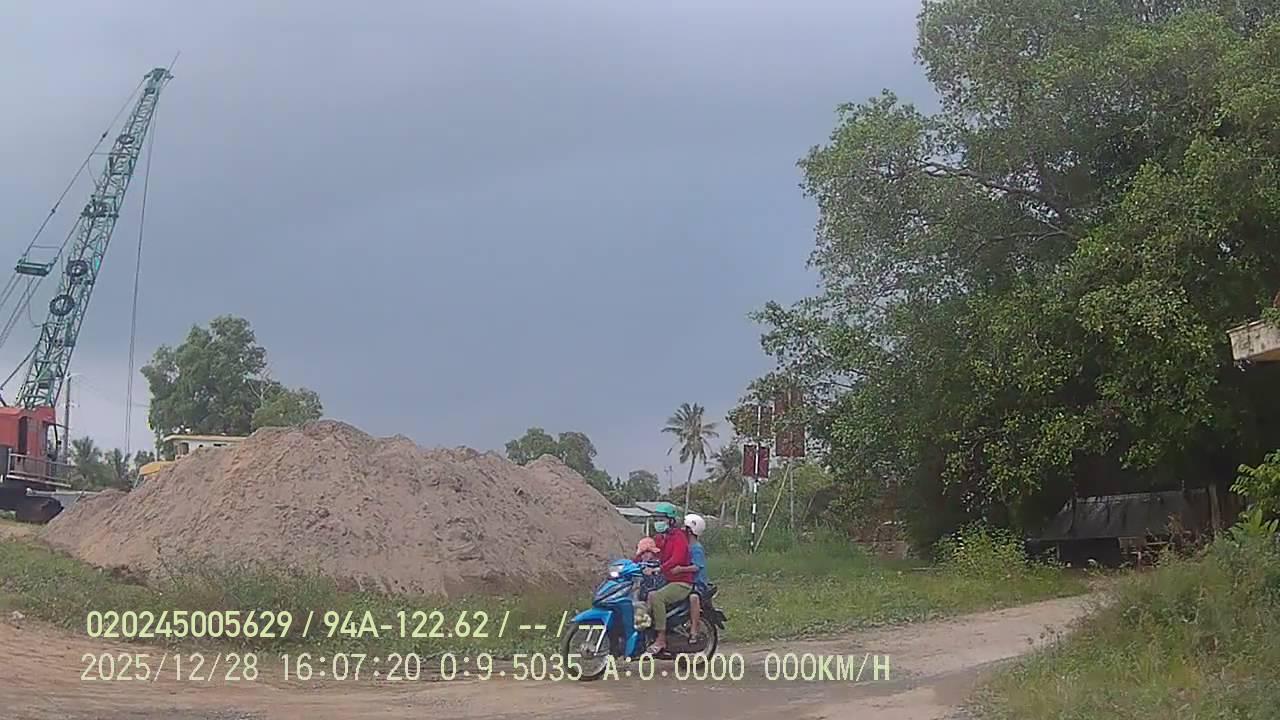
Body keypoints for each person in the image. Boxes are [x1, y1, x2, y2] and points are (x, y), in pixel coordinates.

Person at [644, 501, 696, 655]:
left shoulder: (679, 537)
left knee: (657, 597)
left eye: (662, 519)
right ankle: (646, 633)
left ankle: (661, 639)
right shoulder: (661, 538)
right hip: (667, 581)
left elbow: (676, 559)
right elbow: (651, 551)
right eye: (656, 519)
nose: (658, 522)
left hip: (682, 582)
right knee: (646, 595)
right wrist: (635, 562)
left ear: (671, 521)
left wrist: (658, 569)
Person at [684, 513, 709, 641]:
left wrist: (680, 569)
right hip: (686, 581)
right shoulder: (686, 546)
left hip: (697, 584)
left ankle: (694, 629)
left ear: (690, 530)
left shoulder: (696, 548)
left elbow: (696, 567)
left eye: (685, 528)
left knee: (693, 597)